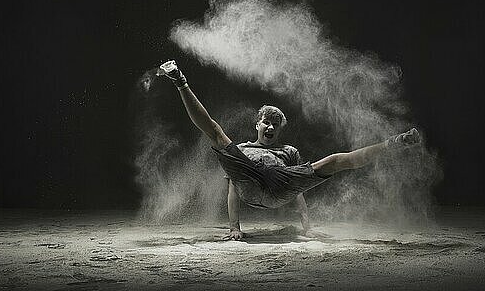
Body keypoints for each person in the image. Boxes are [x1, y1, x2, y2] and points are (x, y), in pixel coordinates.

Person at [158, 60, 420, 240]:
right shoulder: (242, 149)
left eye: (275, 123)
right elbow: (233, 190)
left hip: (281, 183)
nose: (270, 126)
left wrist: (306, 226)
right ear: (257, 125)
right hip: (248, 177)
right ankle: (180, 80)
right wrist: (234, 227)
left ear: (279, 129)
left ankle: (393, 143)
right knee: (216, 133)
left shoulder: (288, 150)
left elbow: (299, 188)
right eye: (266, 121)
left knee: (335, 161)